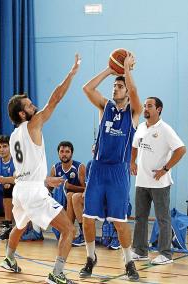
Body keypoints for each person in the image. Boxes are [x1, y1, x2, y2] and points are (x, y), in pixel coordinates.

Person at [0, 54, 80, 284]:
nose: (33, 104)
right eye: (28, 105)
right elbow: (55, 99)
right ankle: (57, 274)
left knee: (19, 225)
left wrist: (44, 179)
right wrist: (71, 74)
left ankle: (9, 258)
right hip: (33, 192)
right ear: (23, 114)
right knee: (69, 230)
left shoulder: (15, 136)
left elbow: (24, 168)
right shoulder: (33, 124)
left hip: (22, 189)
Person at [80, 51, 143, 281]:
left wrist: (125, 69)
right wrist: (110, 69)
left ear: (126, 92)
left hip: (118, 170)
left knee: (120, 222)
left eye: (119, 86)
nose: (114, 89)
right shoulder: (104, 107)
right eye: (114, 86)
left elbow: (135, 91)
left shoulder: (134, 112)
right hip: (97, 169)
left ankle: (128, 262)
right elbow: (86, 88)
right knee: (87, 218)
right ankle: (90, 258)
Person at [131, 97, 186, 265]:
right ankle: (140, 251)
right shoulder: (140, 127)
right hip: (142, 181)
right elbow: (134, 146)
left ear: (159, 109)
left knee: (163, 218)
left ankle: (165, 254)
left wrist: (165, 169)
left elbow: (181, 149)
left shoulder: (165, 129)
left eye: (149, 106)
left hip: (159, 184)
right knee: (140, 217)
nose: (145, 109)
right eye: (145, 106)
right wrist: (132, 162)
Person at [49, 141, 86, 246]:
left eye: (67, 152)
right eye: (61, 151)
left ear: (71, 153)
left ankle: (71, 231)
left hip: (78, 201)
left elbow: (86, 189)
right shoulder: (55, 168)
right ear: (58, 153)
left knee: (70, 195)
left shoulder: (79, 167)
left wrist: (70, 187)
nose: (64, 154)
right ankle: (35, 231)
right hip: (61, 202)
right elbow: (49, 190)